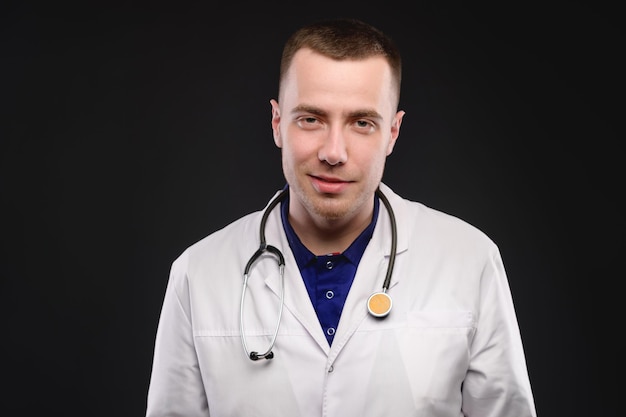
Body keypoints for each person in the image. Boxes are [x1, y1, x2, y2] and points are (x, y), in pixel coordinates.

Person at [145, 17, 537, 417]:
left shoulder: (470, 261)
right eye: (311, 119)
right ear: (278, 122)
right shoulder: (198, 273)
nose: (334, 152)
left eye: (362, 123)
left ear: (393, 133)